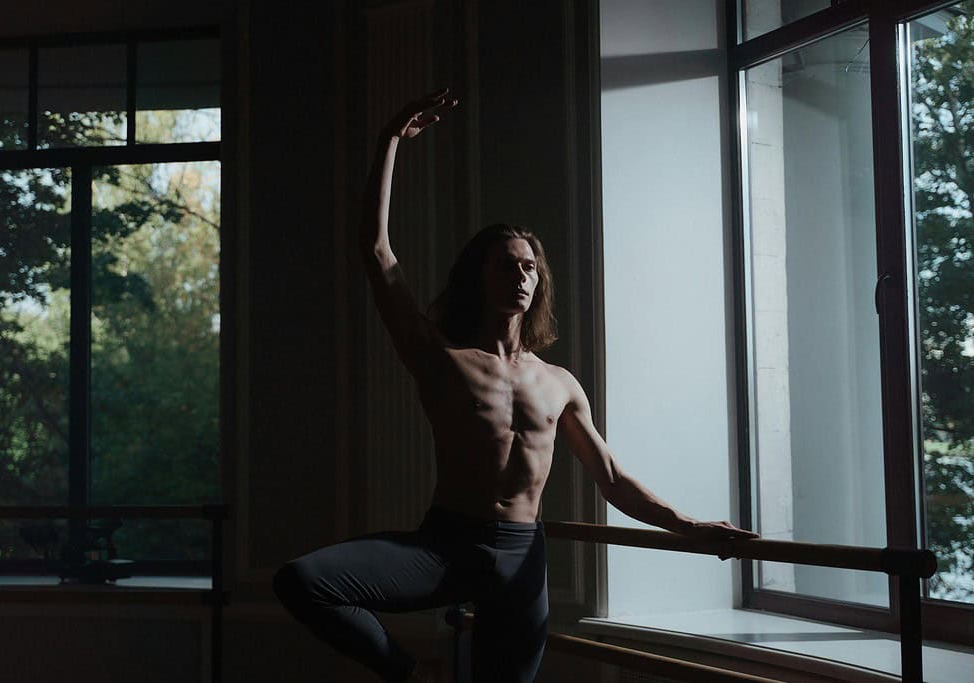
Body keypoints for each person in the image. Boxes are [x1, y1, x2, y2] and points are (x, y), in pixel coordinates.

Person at [273, 88, 758, 683]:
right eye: (504, 264)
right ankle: (406, 672)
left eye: (528, 265)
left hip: (522, 559)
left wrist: (691, 528)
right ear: (479, 277)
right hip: (446, 546)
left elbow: (611, 478)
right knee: (301, 581)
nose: (519, 275)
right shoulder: (441, 356)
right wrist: (391, 140)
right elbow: (376, 252)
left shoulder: (558, 383)